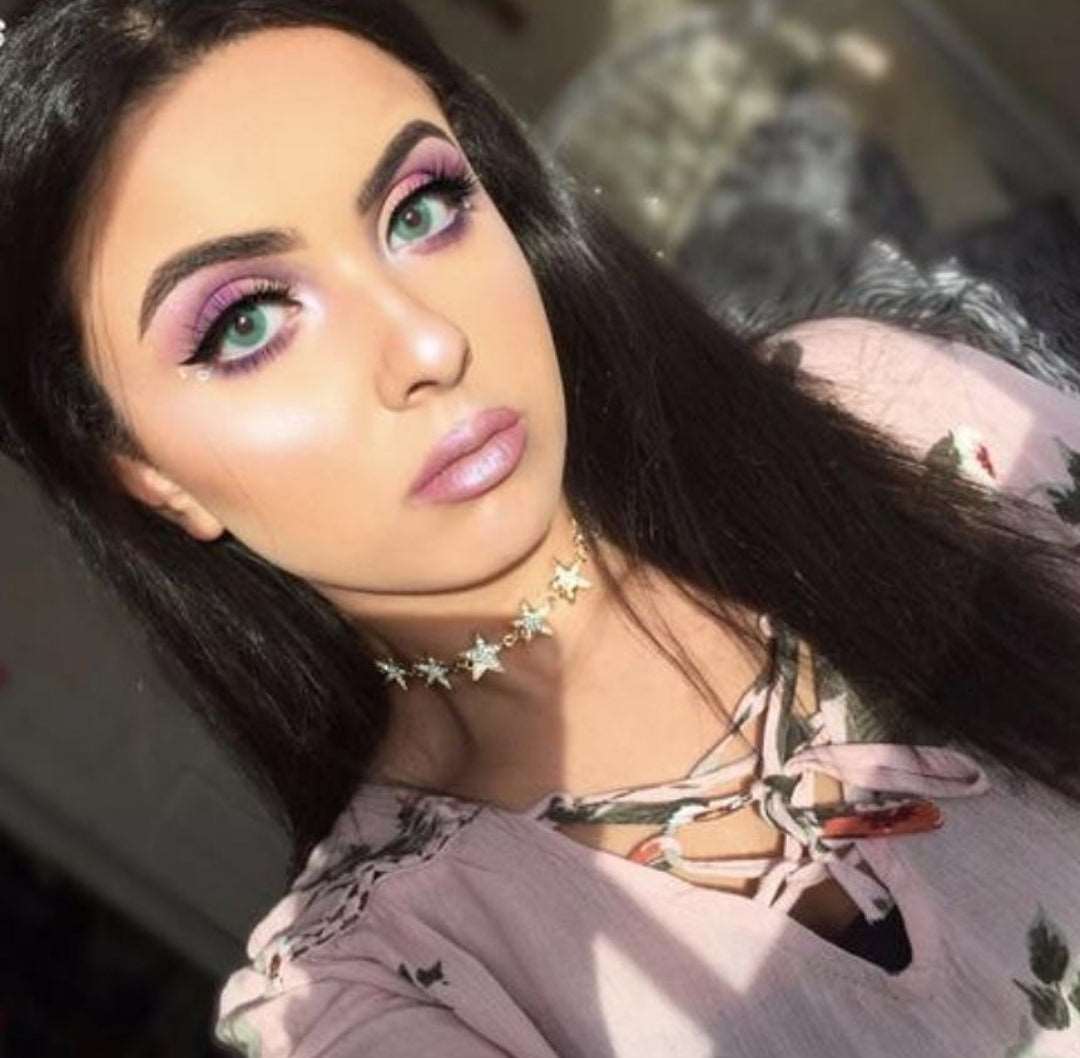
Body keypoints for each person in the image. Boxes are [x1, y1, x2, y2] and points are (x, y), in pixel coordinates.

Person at [1, 2, 1080, 1055]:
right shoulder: (373, 989)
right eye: (247, 322)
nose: (428, 343)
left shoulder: (897, 416)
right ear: (147, 473)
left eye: (420, 210)